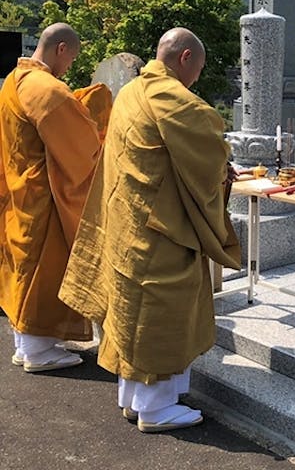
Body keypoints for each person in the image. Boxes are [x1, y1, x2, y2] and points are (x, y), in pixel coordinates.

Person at [60, 27, 241, 433]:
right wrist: (223, 174)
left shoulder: (130, 92)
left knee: (130, 314)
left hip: (129, 225)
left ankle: (133, 397)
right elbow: (211, 156)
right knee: (163, 314)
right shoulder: (178, 101)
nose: (197, 77)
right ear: (184, 60)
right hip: (164, 229)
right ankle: (156, 409)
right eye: (198, 68)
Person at [0, 23, 106, 372]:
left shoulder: (14, 81)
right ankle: (38, 350)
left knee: (22, 266)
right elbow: (83, 148)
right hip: (45, 196)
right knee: (44, 270)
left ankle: (24, 342)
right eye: (71, 58)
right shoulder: (47, 89)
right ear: (61, 48)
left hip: (19, 189)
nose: (70, 67)